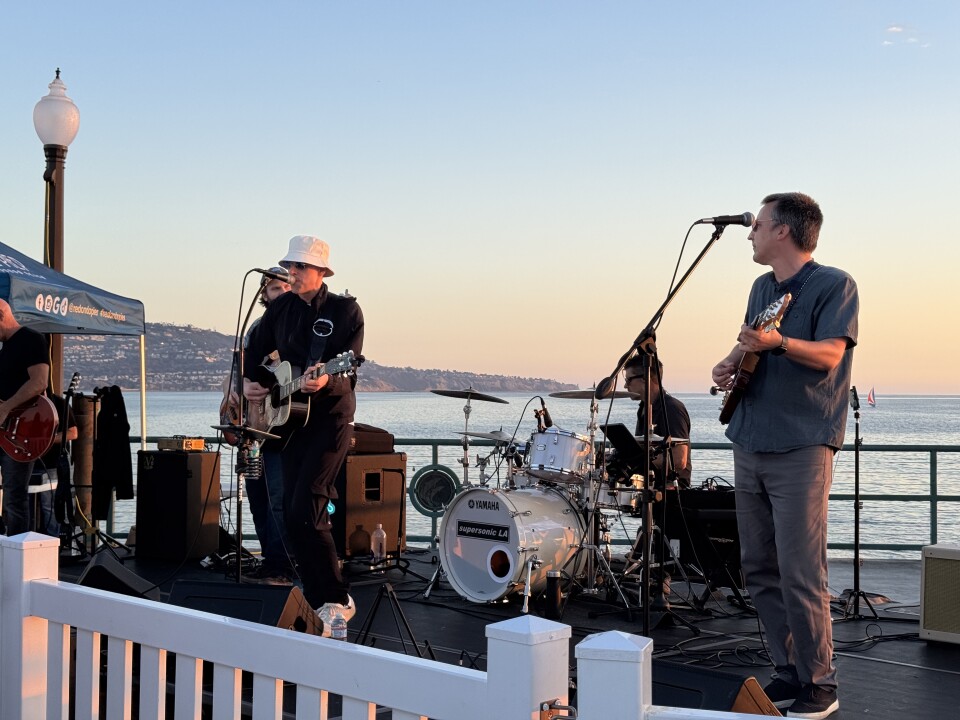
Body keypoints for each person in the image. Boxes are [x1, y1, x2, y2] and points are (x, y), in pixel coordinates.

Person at [711, 193, 858, 720]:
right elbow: (753, 339)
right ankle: (786, 670)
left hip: (802, 443)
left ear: (785, 232)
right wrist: (731, 360)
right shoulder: (760, 287)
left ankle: (821, 681)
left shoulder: (834, 284)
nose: (750, 232)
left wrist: (779, 344)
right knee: (758, 567)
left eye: (759, 224)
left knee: (801, 571)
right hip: (750, 439)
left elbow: (830, 354)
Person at [243, 236, 363, 630]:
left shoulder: (345, 311)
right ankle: (316, 595)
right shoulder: (280, 310)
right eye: (288, 267)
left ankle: (338, 597)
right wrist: (251, 383)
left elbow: (347, 371)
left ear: (320, 272)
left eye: (298, 267)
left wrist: (326, 378)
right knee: (290, 517)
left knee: (308, 510)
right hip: (291, 422)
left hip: (330, 421)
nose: (290, 273)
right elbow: (255, 353)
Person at [236, 268, 295, 582]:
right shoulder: (257, 328)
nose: (282, 290)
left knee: (278, 500)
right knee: (257, 498)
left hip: (286, 429)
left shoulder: (299, 326)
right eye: (274, 287)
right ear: (264, 295)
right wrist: (240, 388)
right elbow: (241, 368)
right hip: (256, 426)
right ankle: (269, 560)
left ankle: (282, 566)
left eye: (287, 286)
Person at [0, 298, 51, 536]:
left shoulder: (31, 339)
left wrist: (6, 408)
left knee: (14, 497)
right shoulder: (5, 348)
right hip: (5, 430)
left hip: (20, 431)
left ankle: (16, 557)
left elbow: (40, 382)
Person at [623, 356, 691, 488]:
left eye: (629, 380)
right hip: (647, 485)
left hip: (670, 490)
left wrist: (635, 463)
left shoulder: (671, 408)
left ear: (645, 379)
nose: (626, 385)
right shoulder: (644, 407)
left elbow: (678, 459)